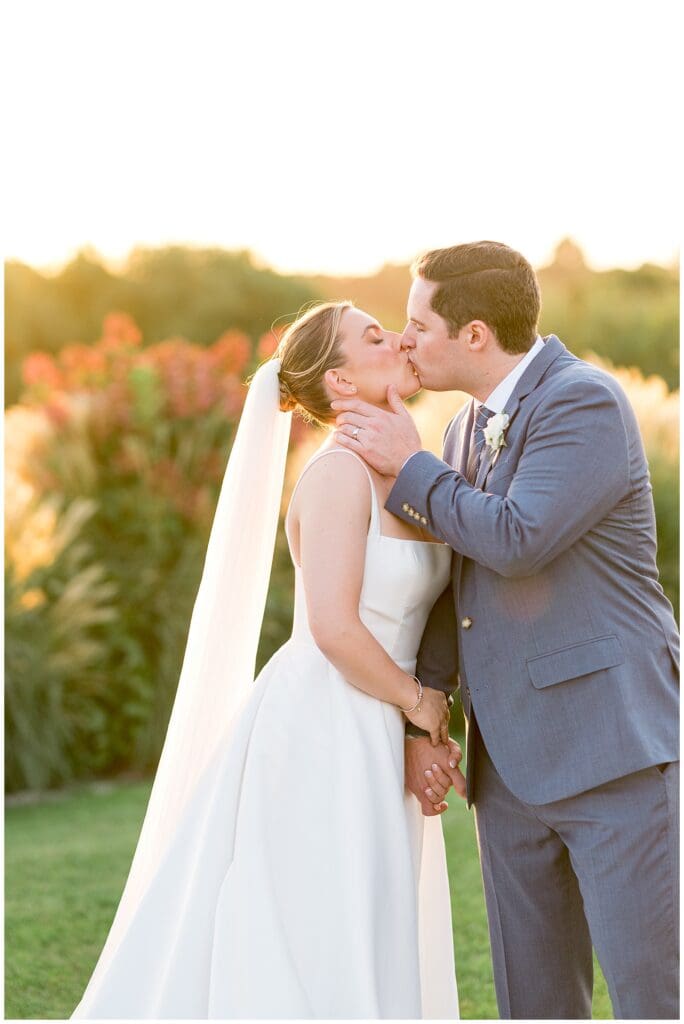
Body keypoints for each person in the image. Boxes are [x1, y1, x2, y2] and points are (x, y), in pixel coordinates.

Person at [71, 301, 463, 1020]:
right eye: (375, 337)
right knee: (314, 919)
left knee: (368, 908)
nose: (399, 339)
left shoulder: (407, 470)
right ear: (340, 384)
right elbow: (334, 629)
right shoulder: (337, 475)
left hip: (377, 717)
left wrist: (414, 724)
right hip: (325, 721)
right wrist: (421, 705)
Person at [332, 241, 680, 1020]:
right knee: (534, 1003)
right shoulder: (464, 429)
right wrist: (430, 713)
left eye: (418, 323)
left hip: (611, 751)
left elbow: (519, 539)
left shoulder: (584, 401)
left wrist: (412, 467)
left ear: (476, 335)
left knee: (652, 996)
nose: (406, 338)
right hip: (509, 770)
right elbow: (460, 587)